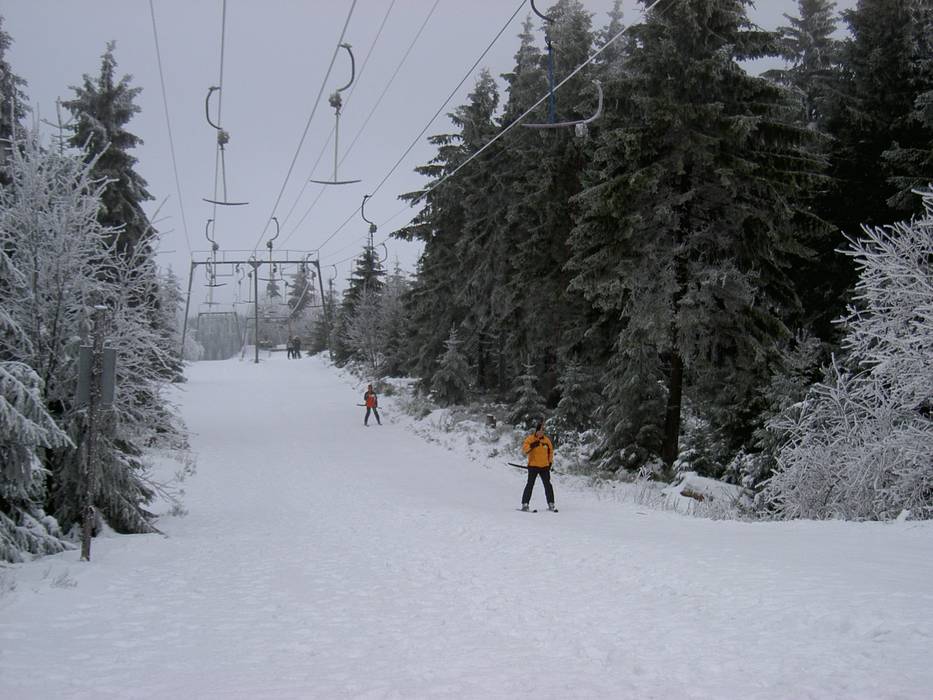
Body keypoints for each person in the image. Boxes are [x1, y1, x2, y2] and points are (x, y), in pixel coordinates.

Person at [521, 421, 556, 511]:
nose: (541, 433)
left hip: (544, 467)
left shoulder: (546, 441)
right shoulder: (530, 439)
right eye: (539, 431)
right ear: (536, 431)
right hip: (533, 466)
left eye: (542, 431)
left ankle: (551, 503)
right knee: (530, 484)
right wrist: (532, 446)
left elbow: (551, 452)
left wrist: (550, 463)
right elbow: (525, 450)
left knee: (548, 485)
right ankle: (525, 504)